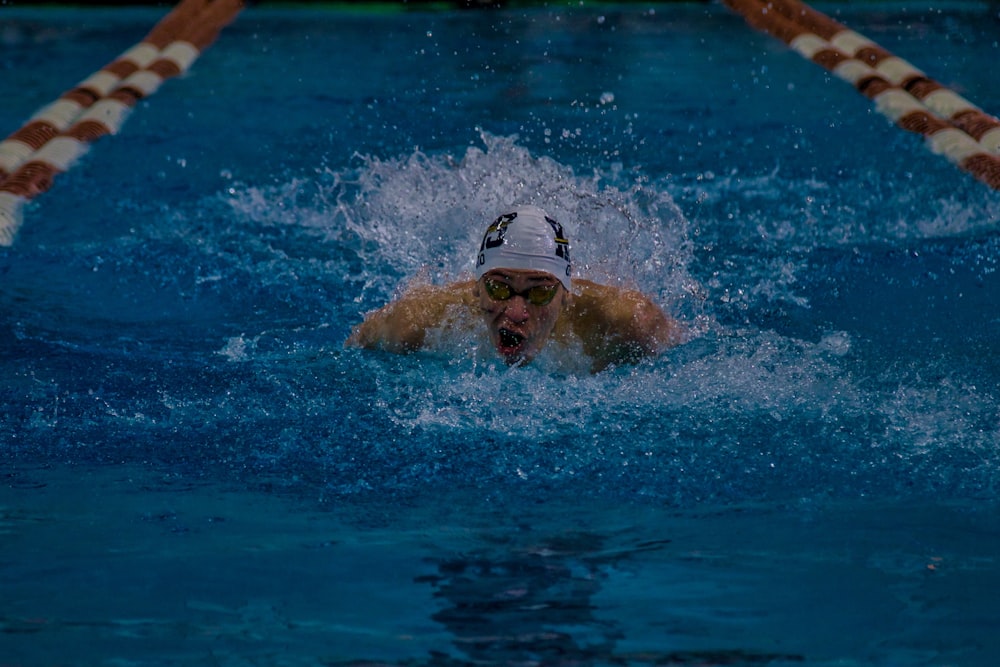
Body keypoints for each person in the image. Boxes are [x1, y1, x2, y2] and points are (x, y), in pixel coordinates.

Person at [345, 205, 683, 372]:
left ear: (566, 294)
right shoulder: (417, 323)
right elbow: (352, 348)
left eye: (539, 292)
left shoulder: (626, 324)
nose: (517, 312)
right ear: (475, 288)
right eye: (500, 288)